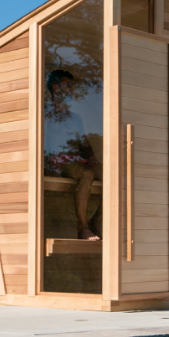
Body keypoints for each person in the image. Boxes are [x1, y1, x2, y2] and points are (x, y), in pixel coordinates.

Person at [44, 70, 102, 241]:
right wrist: (45, 168)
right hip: (56, 160)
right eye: (67, 85)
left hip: (76, 160)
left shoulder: (75, 118)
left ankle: (97, 220)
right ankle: (82, 227)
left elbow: (84, 145)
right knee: (87, 174)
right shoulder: (46, 115)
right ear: (55, 87)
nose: (71, 90)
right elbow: (42, 144)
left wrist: (91, 156)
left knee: (112, 174)